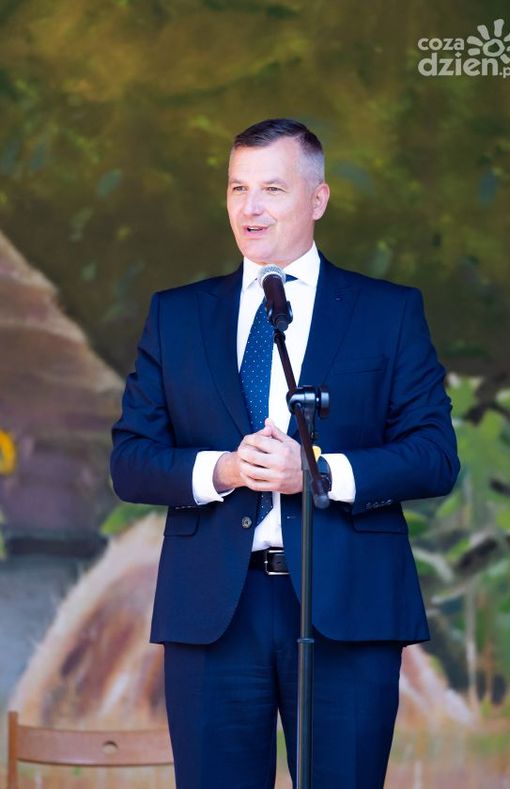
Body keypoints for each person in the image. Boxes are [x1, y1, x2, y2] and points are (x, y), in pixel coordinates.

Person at [110, 118, 460, 788]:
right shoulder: (177, 316)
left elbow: (434, 454)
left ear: (318, 199)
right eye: (238, 187)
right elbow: (131, 460)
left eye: (272, 188)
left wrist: (319, 473)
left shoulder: (386, 312)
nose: (251, 207)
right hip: (215, 610)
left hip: (346, 604)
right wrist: (223, 469)